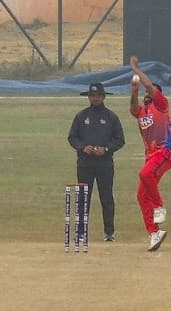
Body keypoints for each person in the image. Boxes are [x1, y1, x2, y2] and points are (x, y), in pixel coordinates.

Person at [128, 55, 171, 252]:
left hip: (165, 151)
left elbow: (149, 86)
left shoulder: (162, 104)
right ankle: (154, 233)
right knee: (141, 195)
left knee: (144, 174)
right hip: (152, 157)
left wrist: (135, 68)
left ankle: (159, 206)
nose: (148, 93)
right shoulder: (142, 112)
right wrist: (134, 91)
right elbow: (133, 109)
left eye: (151, 91)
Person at [67, 82, 126, 241]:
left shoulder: (111, 117)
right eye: (92, 96)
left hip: (105, 164)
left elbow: (120, 140)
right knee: (83, 197)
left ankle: (109, 232)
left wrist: (105, 149)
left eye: (98, 96)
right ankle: (80, 232)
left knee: (106, 197)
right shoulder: (81, 116)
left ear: (103, 97)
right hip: (85, 163)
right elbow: (72, 137)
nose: (95, 98)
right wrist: (82, 147)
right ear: (89, 97)